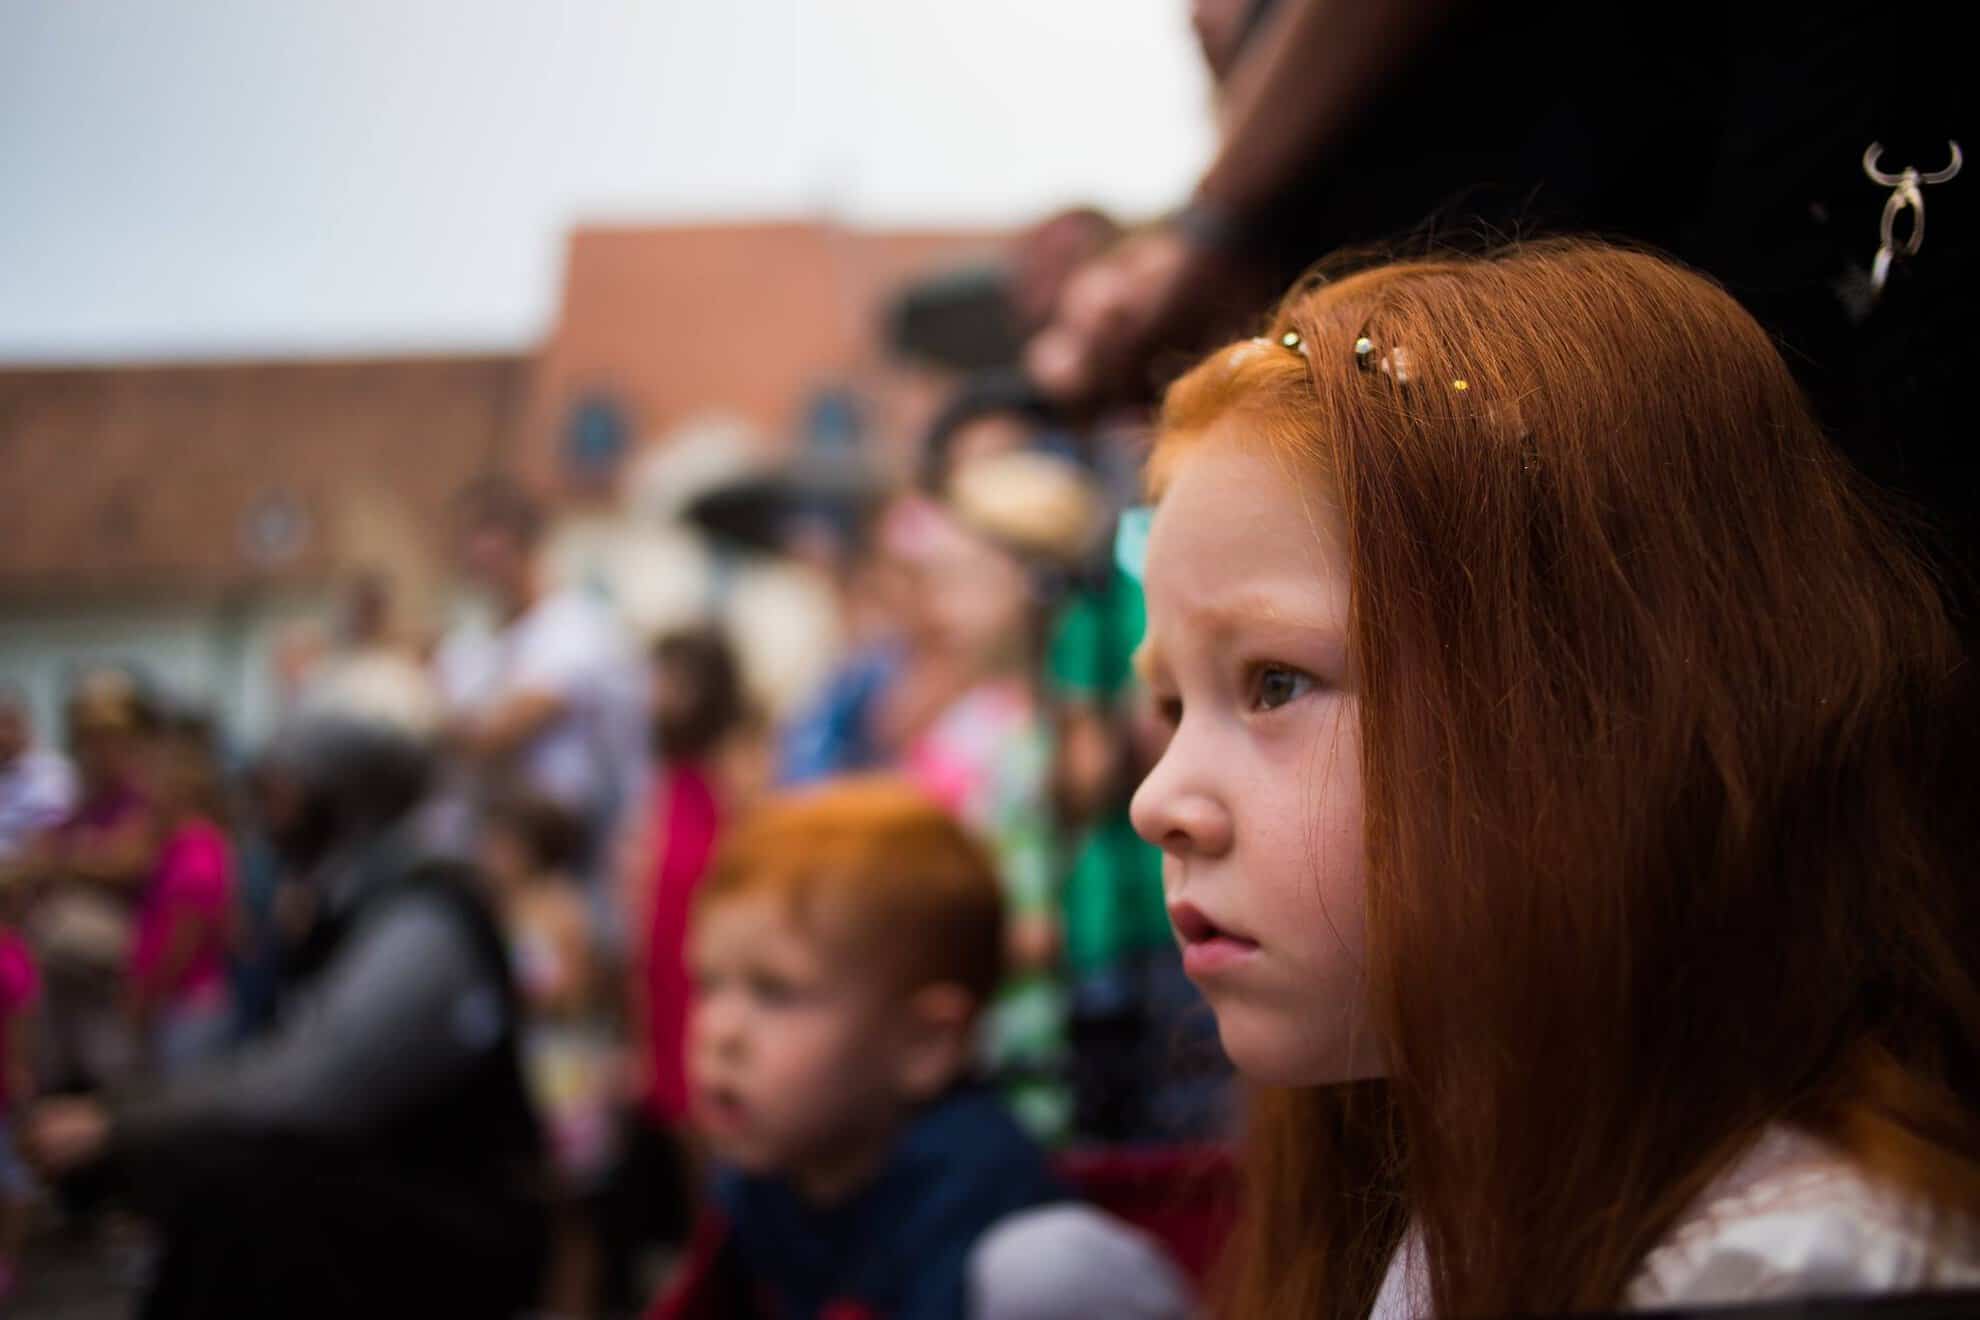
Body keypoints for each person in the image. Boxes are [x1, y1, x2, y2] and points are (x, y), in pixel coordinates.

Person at [1127, 241, 1980, 1316]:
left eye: (1276, 681)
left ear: (1600, 707)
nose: (1158, 803)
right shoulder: (1449, 1217)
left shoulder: (1798, 1273)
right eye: (1170, 705)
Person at [25, 715, 547, 1318]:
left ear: (345, 795)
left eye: (285, 793)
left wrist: (124, 1123)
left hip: (456, 1223)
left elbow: (311, 1084)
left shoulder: (422, 911)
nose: (270, 815)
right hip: (382, 1201)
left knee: (237, 1187)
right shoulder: (347, 895)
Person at [657, 777, 1189, 1320]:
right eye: (708, 984)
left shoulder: (971, 1201)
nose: (719, 1032)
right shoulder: (762, 1182)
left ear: (924, 1046)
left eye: (775, 992)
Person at [436, 475, 648, 935]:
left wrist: (433, 723)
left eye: (488, 535)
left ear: (523, 542)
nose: (476, 555)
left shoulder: (579, 626)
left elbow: (501, 730)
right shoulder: (469, 645)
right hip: (488, 868)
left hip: (577, 871)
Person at [480, 789, 614, 1316]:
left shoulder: (562, 907)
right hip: (527, 1069)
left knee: (573, 1211)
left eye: (499, 843)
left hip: (565, 1074)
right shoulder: (504, 906)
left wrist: (513, 993)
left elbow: (579, 992)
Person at [128, 714, 236, 1075]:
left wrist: (148, 998)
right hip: (176, 1003)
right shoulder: (178, 845)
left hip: (186, 1007)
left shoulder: (198, 849)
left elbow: (184, 939)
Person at [0, 876, 40, 1303]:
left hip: (3, 1087)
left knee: (13, 1175)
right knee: (13, 1176)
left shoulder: (12, 957)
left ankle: (7, 1265)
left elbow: (22, 1022)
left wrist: (19, 1071)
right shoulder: (14, 955)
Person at [0, 685, 76, 871]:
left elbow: (48, 842)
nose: (2, 734)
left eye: (8, 724)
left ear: (26, 725)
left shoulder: (51, 775)